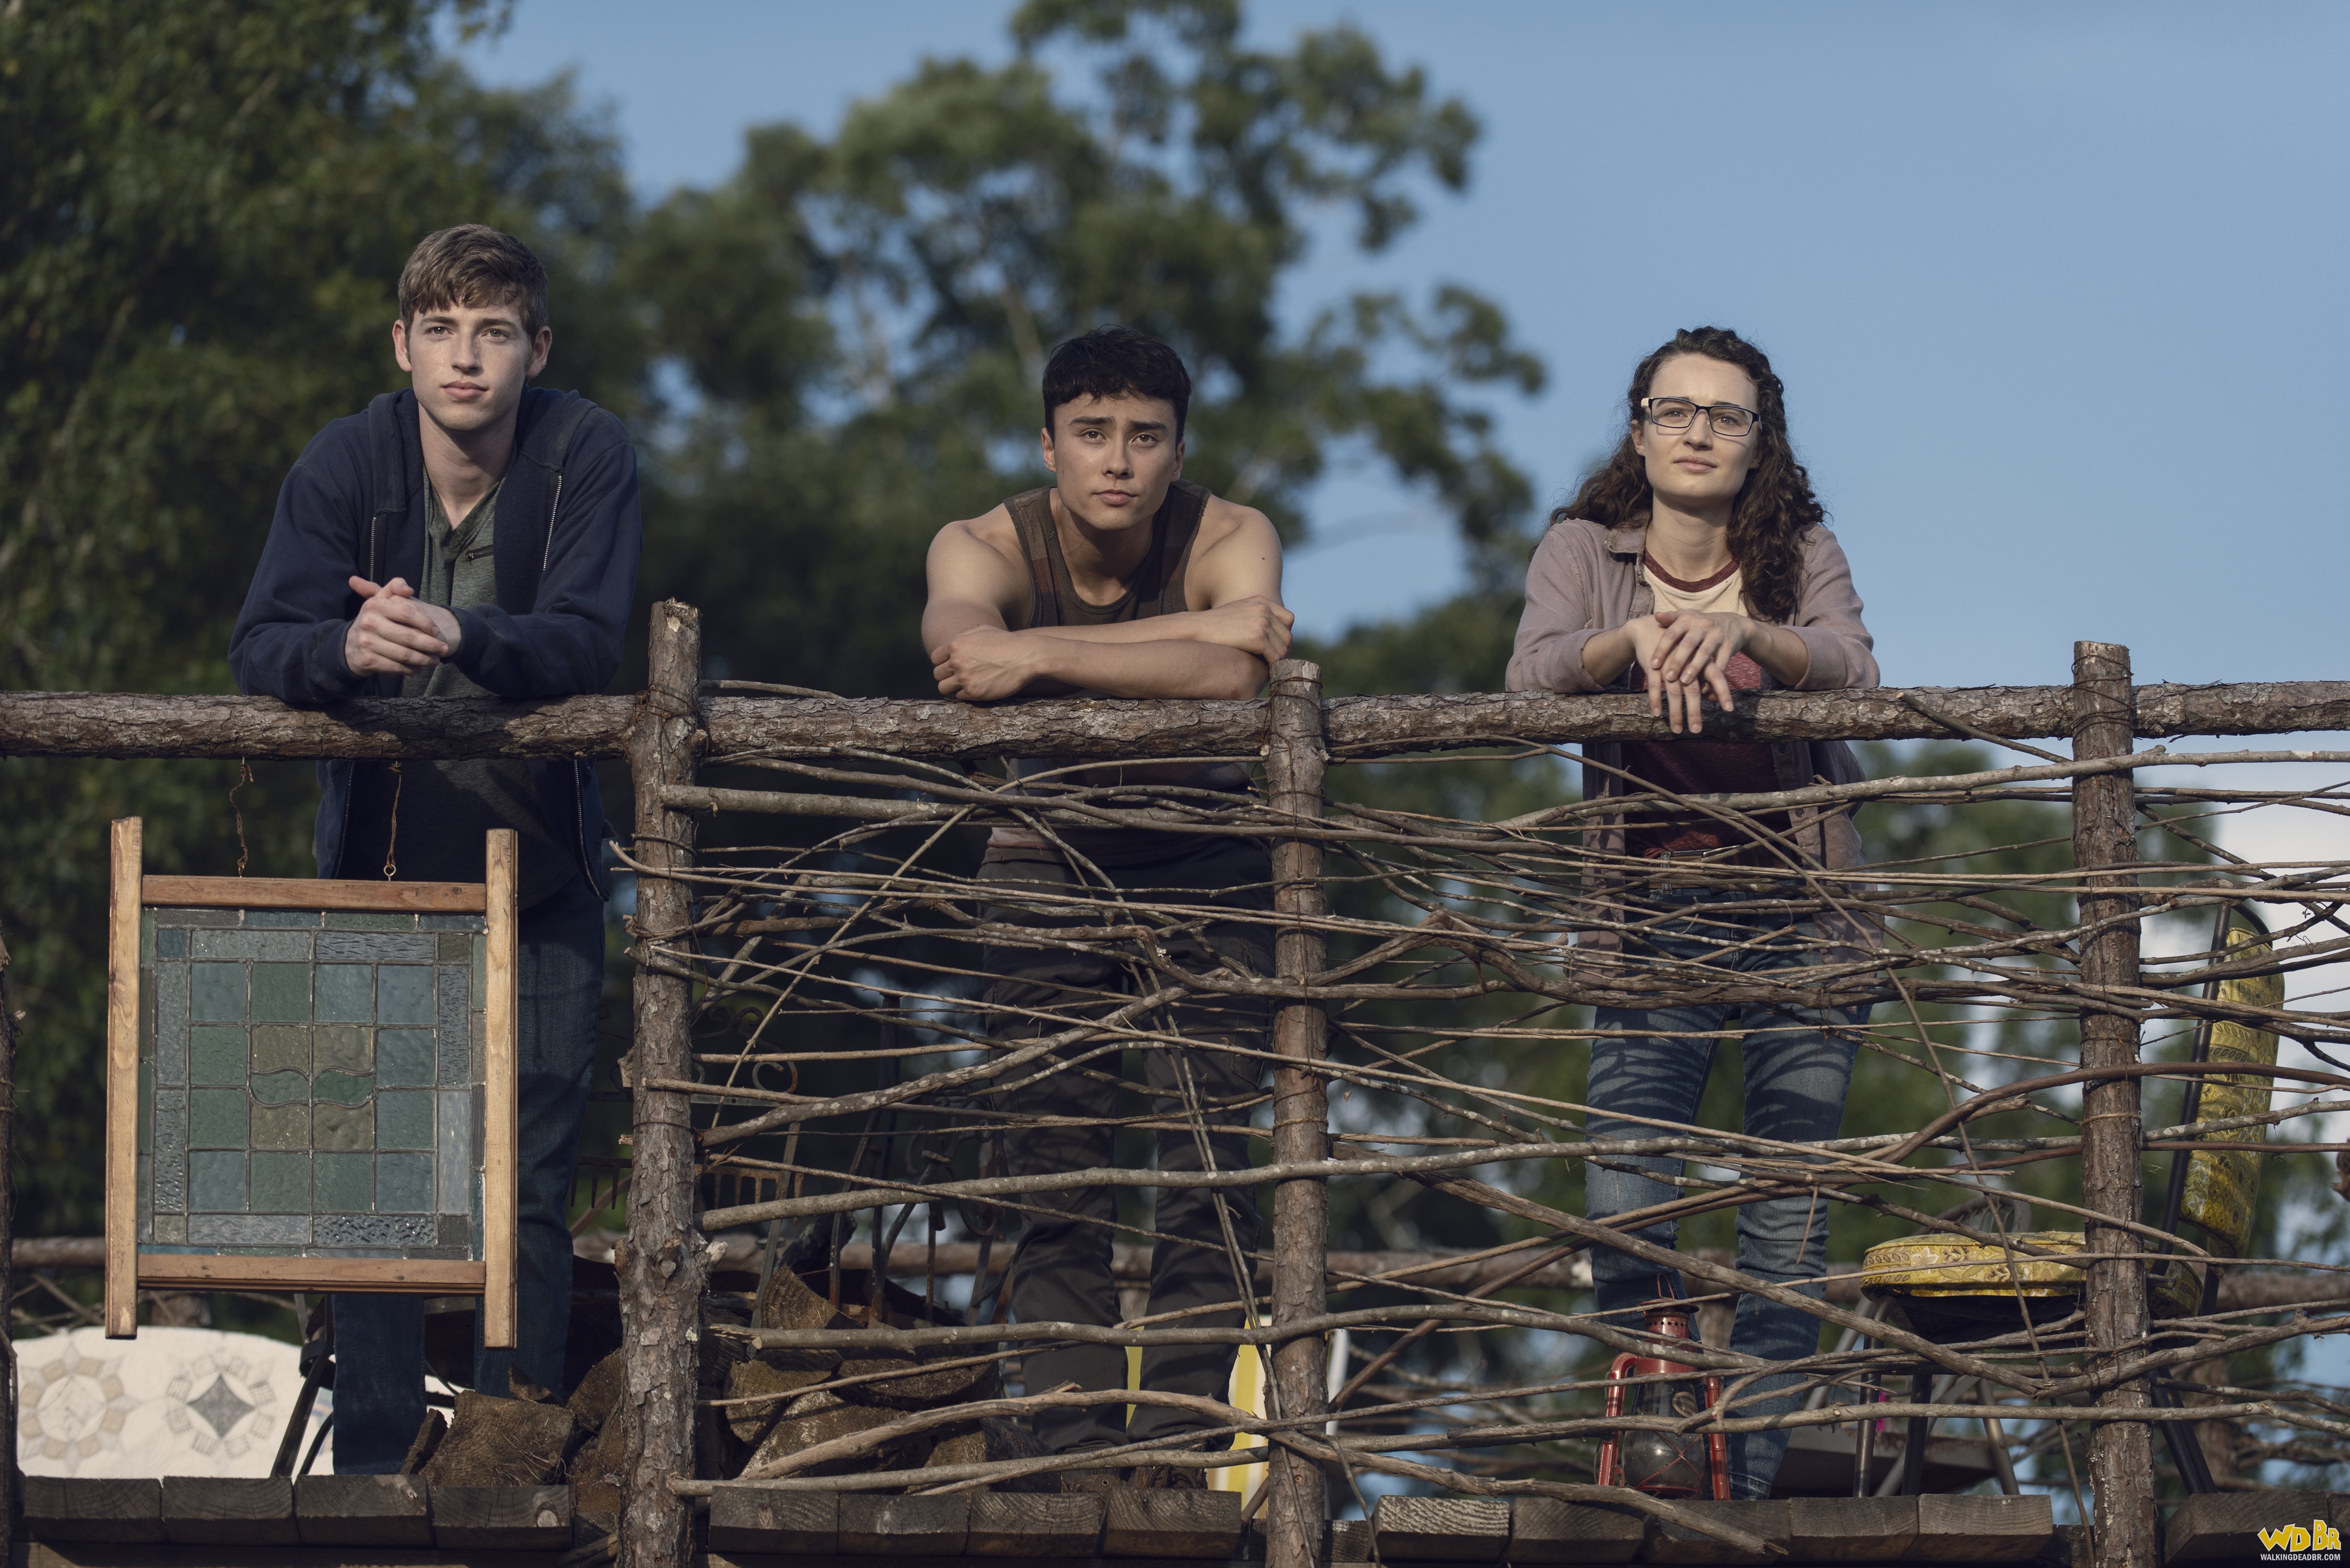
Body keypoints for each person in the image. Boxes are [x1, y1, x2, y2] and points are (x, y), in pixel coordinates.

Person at [228, 225, 641, 1470]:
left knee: (528, 1175)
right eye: (444, 330)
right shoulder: (346, 458)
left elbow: (588, 642)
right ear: (401, 343)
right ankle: (374, 1467)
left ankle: (508, 1455)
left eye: (495, 331)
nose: (468, 357)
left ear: (537, 349)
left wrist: (460, 629)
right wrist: (342, 648)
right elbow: (261, 643)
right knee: (379, 1178)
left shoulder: (586, 452)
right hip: (383, 879)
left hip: (546, 875)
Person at [1505, 325, 1878, 1500]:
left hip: (1801, 914)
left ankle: (1746, 1495)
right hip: (1648, 913)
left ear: (1761, 441)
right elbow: (1529, 678)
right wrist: (1631, 640)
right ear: (1639, 431)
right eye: (1676, 411)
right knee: (1625, 1205)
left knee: (1784, 1229)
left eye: (1726, 416)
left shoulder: (1800, 551)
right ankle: (1668, 1458)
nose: (1699, 433)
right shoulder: (1582, 549)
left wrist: (1747, 633)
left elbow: (1855, 668)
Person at [923, 325, 1293, 1482]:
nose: (1118, 460)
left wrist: (1041, 654)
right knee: (1055, 1175)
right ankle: (1074, 1456)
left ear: (1180, 449)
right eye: (1091, 434)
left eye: (1145, 436)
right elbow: (965, 657)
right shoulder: (980, 543)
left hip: (1209, 858)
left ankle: (1178, 1459)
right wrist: (1194, 631)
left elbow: (1234, 678)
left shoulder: (1233, 533)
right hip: (1044, 859)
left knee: (1212, 1177)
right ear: (1049, 446)